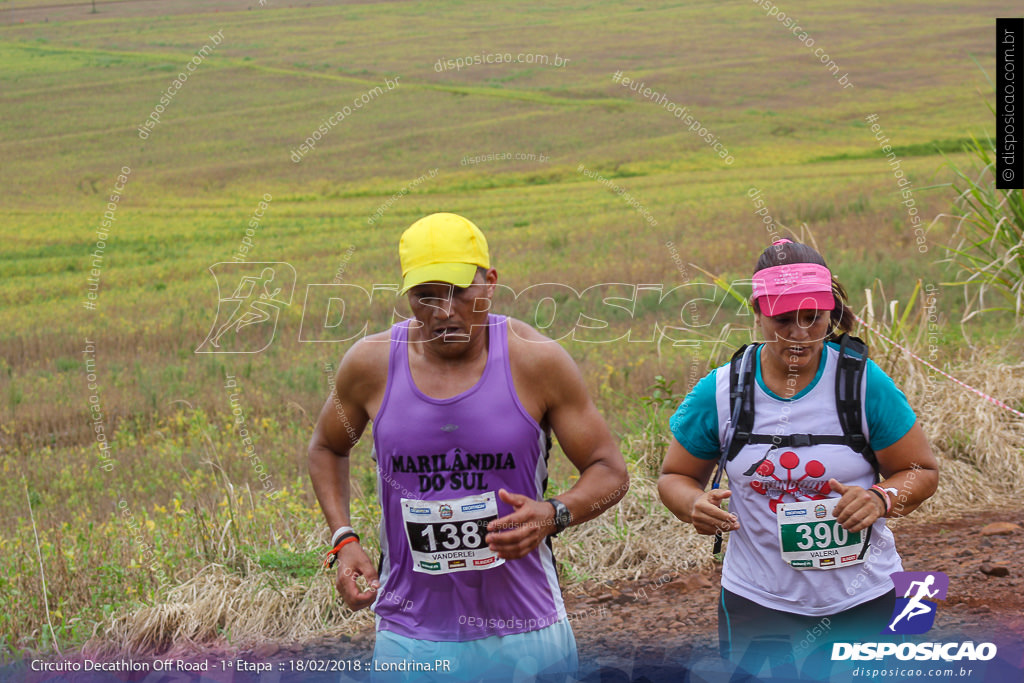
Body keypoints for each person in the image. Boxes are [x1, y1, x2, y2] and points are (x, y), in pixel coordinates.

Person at [308, 212, 629, 681]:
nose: (444, 311)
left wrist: (553, 513)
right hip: (409, 633)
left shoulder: (536, 360)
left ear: (491, 282)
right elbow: (327, 447)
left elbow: (610, 471)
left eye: (459, 292)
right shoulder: (370, 365)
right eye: (425, 296)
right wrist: (344, 540)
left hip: (526, 628)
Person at [658, 239, 939, 680]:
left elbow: (921, 471)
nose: (800, 333)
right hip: (758, 604)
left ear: (831, 311)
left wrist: (881, 498)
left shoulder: (863, 383)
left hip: (865, 599)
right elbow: (675, 476)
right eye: (783, 320)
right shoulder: (721, 392)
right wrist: (691, 504)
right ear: (758, 312)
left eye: (814, 318)